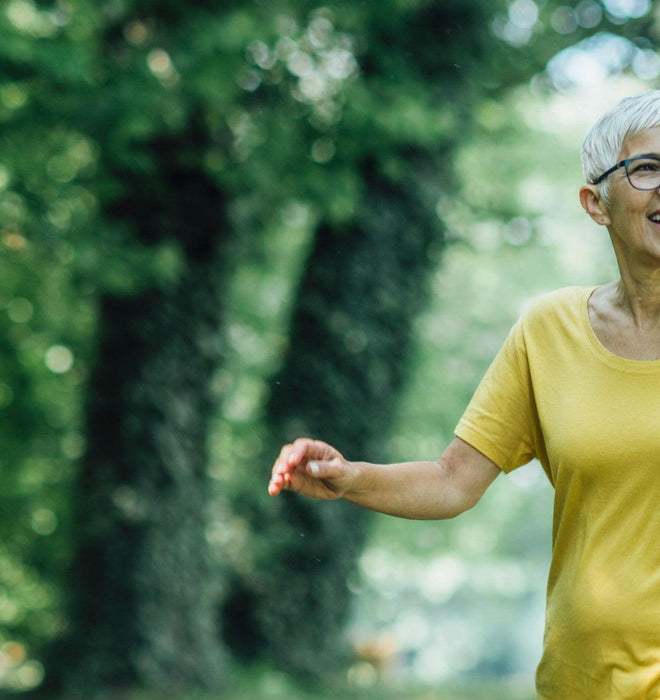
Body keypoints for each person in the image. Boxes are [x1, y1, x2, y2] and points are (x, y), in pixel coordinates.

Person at [268, 89, 660, 699]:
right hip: (585, 683)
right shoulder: (548, 331)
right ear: (595, 202)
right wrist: (352, 478)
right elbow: (453, 481)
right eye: (647, 168)